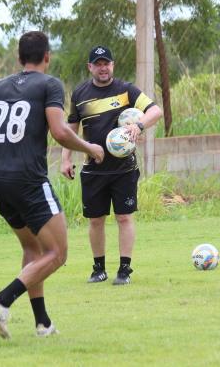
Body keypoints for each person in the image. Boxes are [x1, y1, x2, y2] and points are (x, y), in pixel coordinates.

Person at [0, 31, 104, 339]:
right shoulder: (49, 84)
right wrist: (91, 148)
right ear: (47, 56)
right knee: (57, 253)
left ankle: (42, 323)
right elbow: (60, 132)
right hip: (28, 180)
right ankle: (1, 301)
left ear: (19, 58)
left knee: (34, 249)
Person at [61, 46, 163, 285]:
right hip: (93, 168)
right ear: (90, 67)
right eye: (97, 63)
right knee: (96, 220)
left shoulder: (127, 91)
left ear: (113, 65)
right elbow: (70, 130)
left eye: (106, 63)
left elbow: (155, 111)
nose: (103, 67)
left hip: (123, 168)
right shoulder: (80, 94)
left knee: (124, 217)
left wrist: (139, 126)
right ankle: (99, 269)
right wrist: (66, 159)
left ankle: (124, 270)